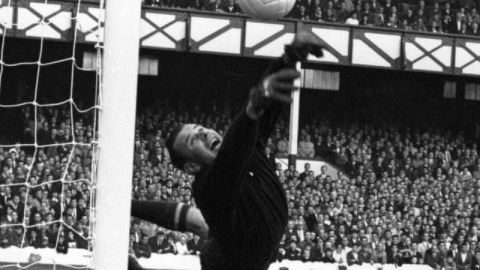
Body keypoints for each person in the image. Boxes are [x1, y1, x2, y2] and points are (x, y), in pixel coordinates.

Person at [131, 32, 323, 270]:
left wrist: (290, 56)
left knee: (201, 224)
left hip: (236, 244)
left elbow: (266, 106)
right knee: (203, 224)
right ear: (192, 166)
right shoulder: (208, 187)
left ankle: (126, 206)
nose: (204, 133)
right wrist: (251, 109)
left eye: (202, 128)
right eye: (193, 140)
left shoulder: (248, 151)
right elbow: (233, 153)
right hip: (229, 265)